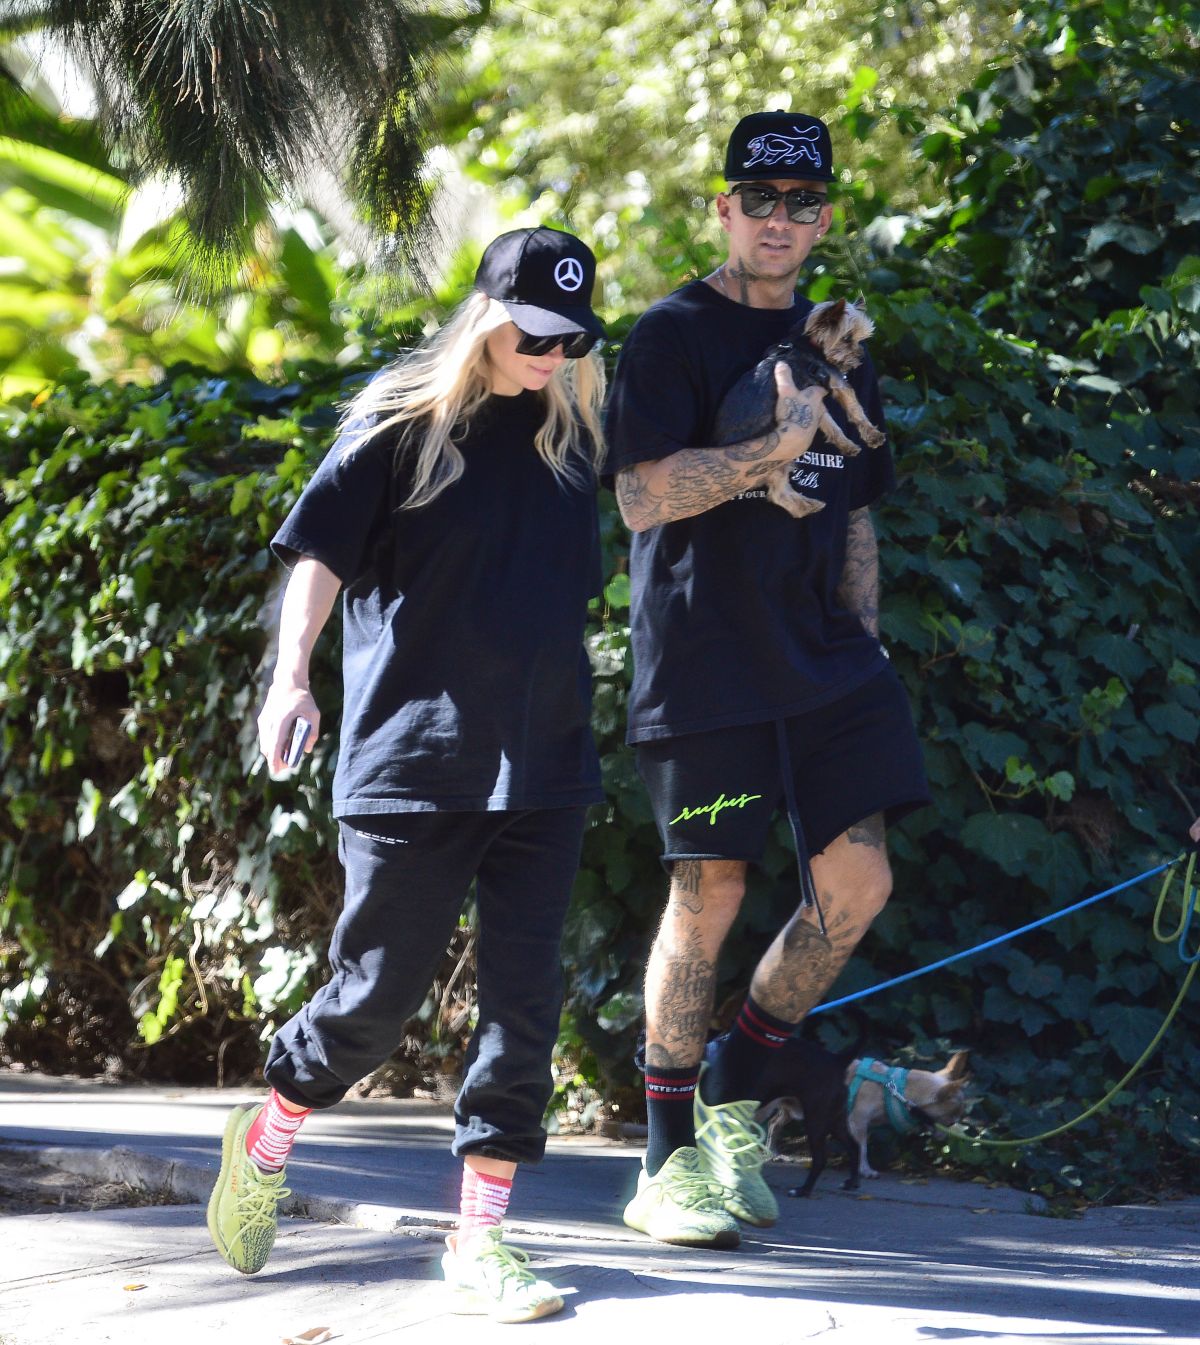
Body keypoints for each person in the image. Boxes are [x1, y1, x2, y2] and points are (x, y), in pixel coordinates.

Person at [206, 227, 608, 1323]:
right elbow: (318, 558)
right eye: (533, 330)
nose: (552, 352)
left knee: (524, 1015)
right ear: (485, 313)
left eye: (572, 336)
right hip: (412, 763)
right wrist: (290, 680)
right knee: (373, 1003)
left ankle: (481, 1244)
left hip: (548, 766)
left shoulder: (574, 445)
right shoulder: (401, 428)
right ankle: (270, 1132)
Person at [606, 111, 931, 1248]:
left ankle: (737, 1082)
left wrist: (867, 636)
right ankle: (664, 1162)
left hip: (830, 663)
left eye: (802, 203)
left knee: (857, 887)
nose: (780, 220)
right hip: (706, 663)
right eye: (760, 199)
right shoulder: (670, 335)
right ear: (723, 208)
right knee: (711, 895)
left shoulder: (843, 345)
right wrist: (763, 453)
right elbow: (643, 496)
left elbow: (857, 512)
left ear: (825, 216)